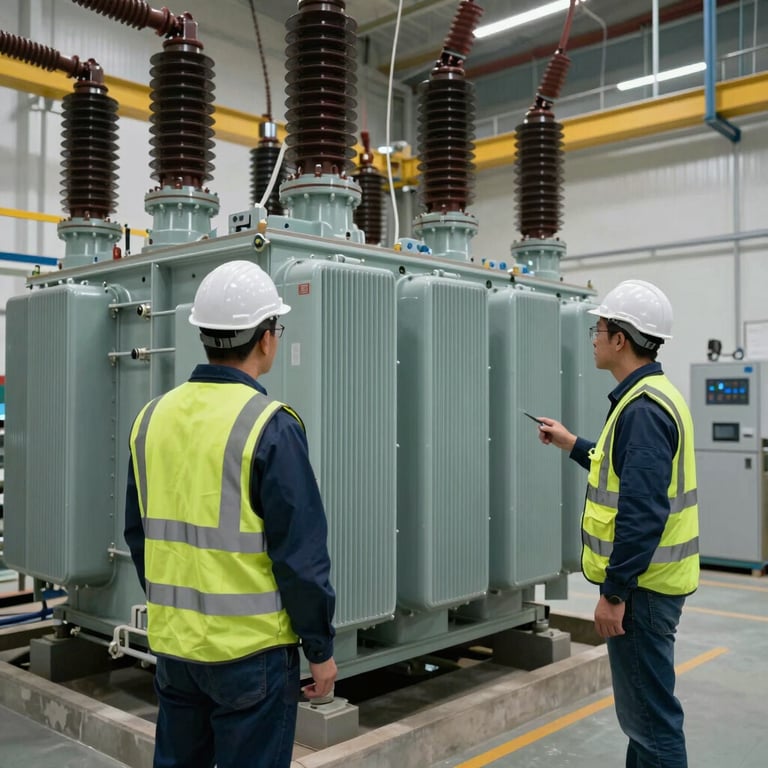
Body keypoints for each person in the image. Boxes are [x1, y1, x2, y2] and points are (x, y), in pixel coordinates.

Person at [124, 260, 337, 768]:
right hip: (252, 658)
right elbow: (300, 559)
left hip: (176, 652)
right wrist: (320, 650)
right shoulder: (271, 426)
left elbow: (139, 539)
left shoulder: (150, 418)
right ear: (265, 339)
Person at [536, 279, 699, 768]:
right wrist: (573, 444)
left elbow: (642, 513)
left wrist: (614, 594)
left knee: (651, 725)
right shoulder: (652, 396)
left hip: (643, 593)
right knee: (643, 723)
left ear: (620, 340)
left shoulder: (644, 410)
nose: (593, 338)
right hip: (651, 588)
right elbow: (624, 471)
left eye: (598, 329)